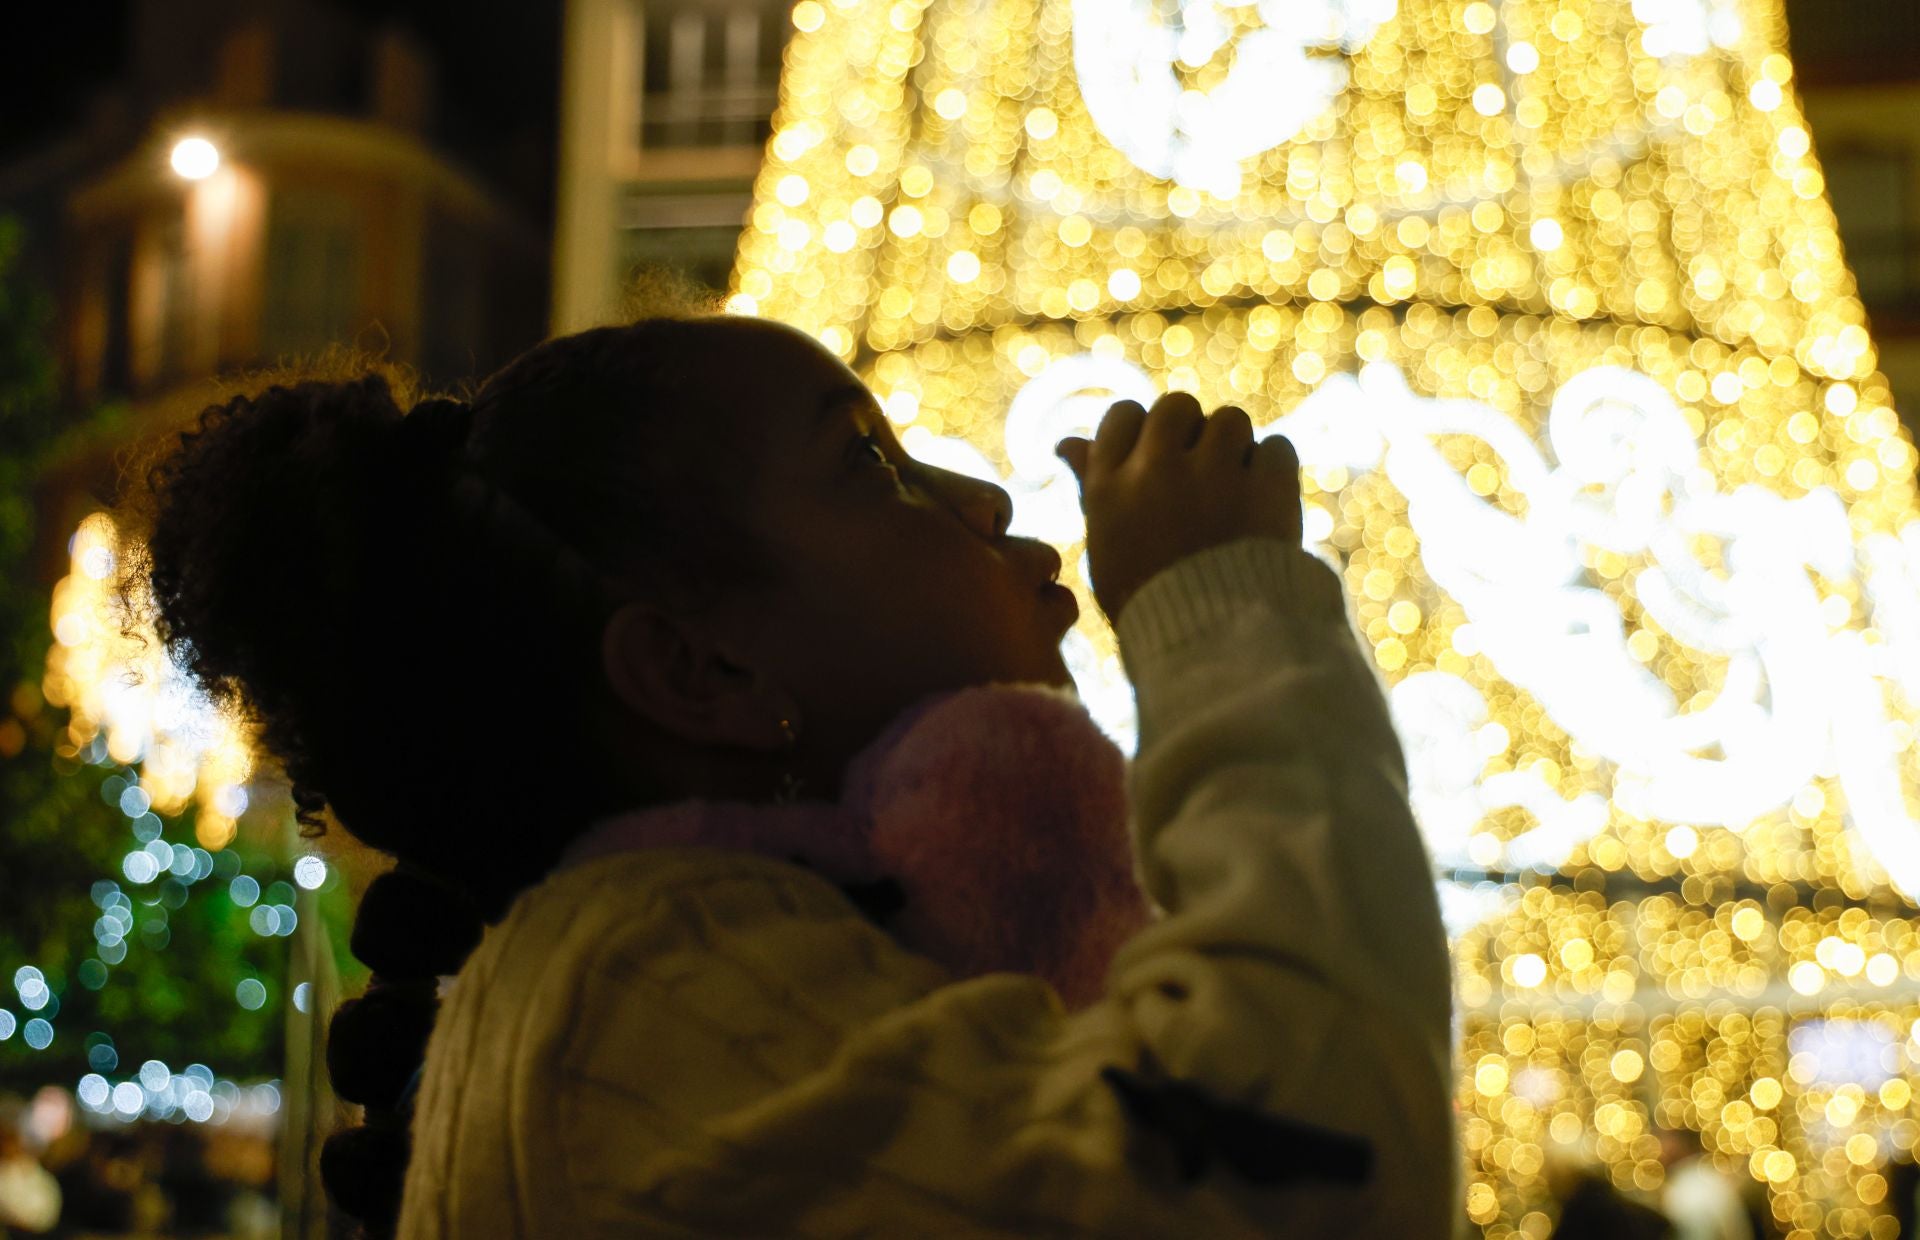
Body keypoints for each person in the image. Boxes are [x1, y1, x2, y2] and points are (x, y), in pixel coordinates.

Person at [122, 286, 1456, 1237]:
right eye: (866, 463)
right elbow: (1312, 1170)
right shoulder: (637, 1003)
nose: (983, 501)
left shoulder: (735, 969)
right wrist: (1222, 611)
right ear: (702, 673)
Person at [1657, 1127, 1752, 1240]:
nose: (1660, 1148)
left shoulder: (1688, 1190)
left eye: (1664, 1138)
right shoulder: (1711, 1178)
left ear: (1679, 1143)